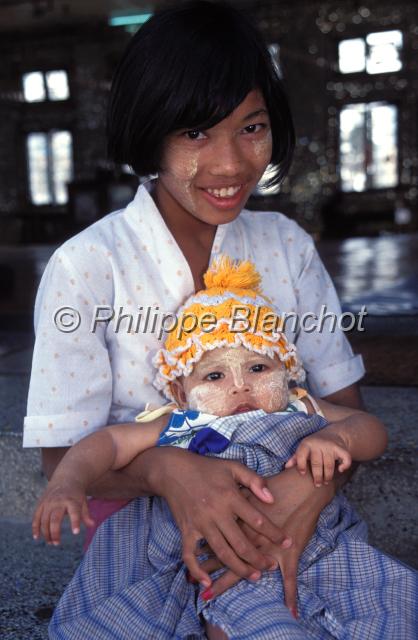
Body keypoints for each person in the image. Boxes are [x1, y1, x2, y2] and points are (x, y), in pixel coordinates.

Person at [24, 0, 367, 615]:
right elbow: (62, 461)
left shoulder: (285, 246)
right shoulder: (87, 267)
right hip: (138, 543)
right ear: (149, 131)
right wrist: (168, 472)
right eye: (194, 132)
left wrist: (304, 496)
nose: (231, 165)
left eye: (252, 127)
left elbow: (349, 419)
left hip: (285, 519)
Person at [34, 257, 417, 639]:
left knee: (389, 610)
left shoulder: (301, 405)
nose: (240, 386)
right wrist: (68, 481)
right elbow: (109, 442)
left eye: (258, 368)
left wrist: (339, 437)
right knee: (243, 619)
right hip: (224, 556)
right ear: (183, 393)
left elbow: (370, 430)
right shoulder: (186, 421)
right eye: (215, 375)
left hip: (322, 545)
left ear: (286, 371)